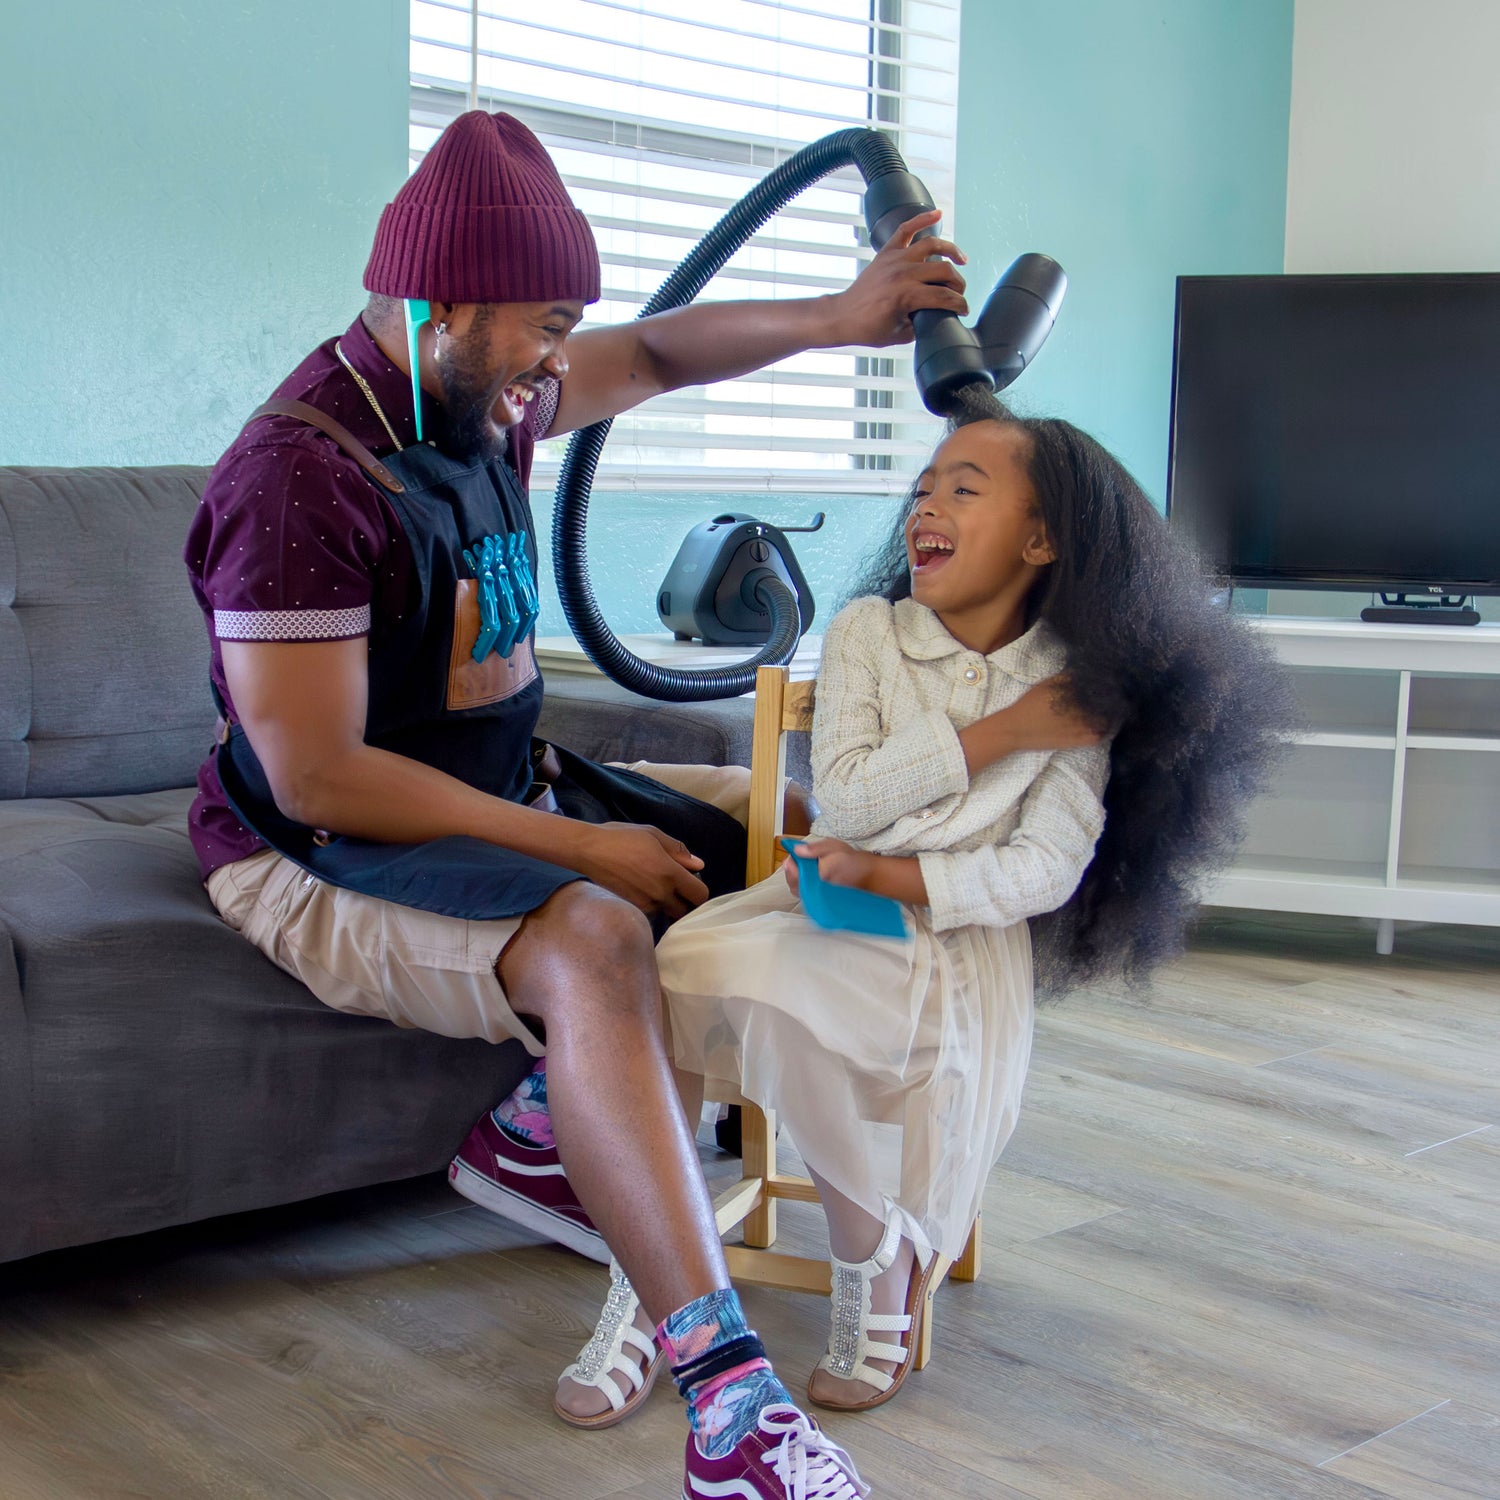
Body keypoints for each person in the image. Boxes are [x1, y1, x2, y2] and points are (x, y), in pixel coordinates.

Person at [184, 108, 984, 1500]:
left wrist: (844, 315)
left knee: (806, 838)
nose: (562, 362)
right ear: (447, 307)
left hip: (489, 790)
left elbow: (663, 352)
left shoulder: (485, 390)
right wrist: (578, 849)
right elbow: (320, 777)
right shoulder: (298, 477)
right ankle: (730, 1407)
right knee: (599, 935)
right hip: (317, 851)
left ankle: (567, 1130)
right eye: (546, 323)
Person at [556, 389, 1292, 1422]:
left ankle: (870, 1253)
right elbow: (848, 796)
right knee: (679, 972)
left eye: (965, 486)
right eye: (923, 486)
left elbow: (1044, 869)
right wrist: (1002, 733)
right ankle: (655, 1285)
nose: (927, 505)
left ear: (1040, 537)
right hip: (818, 908)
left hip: (955, 939)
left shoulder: (1079, 686)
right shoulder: (869, 636)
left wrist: (896, 877)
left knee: (772, 987)